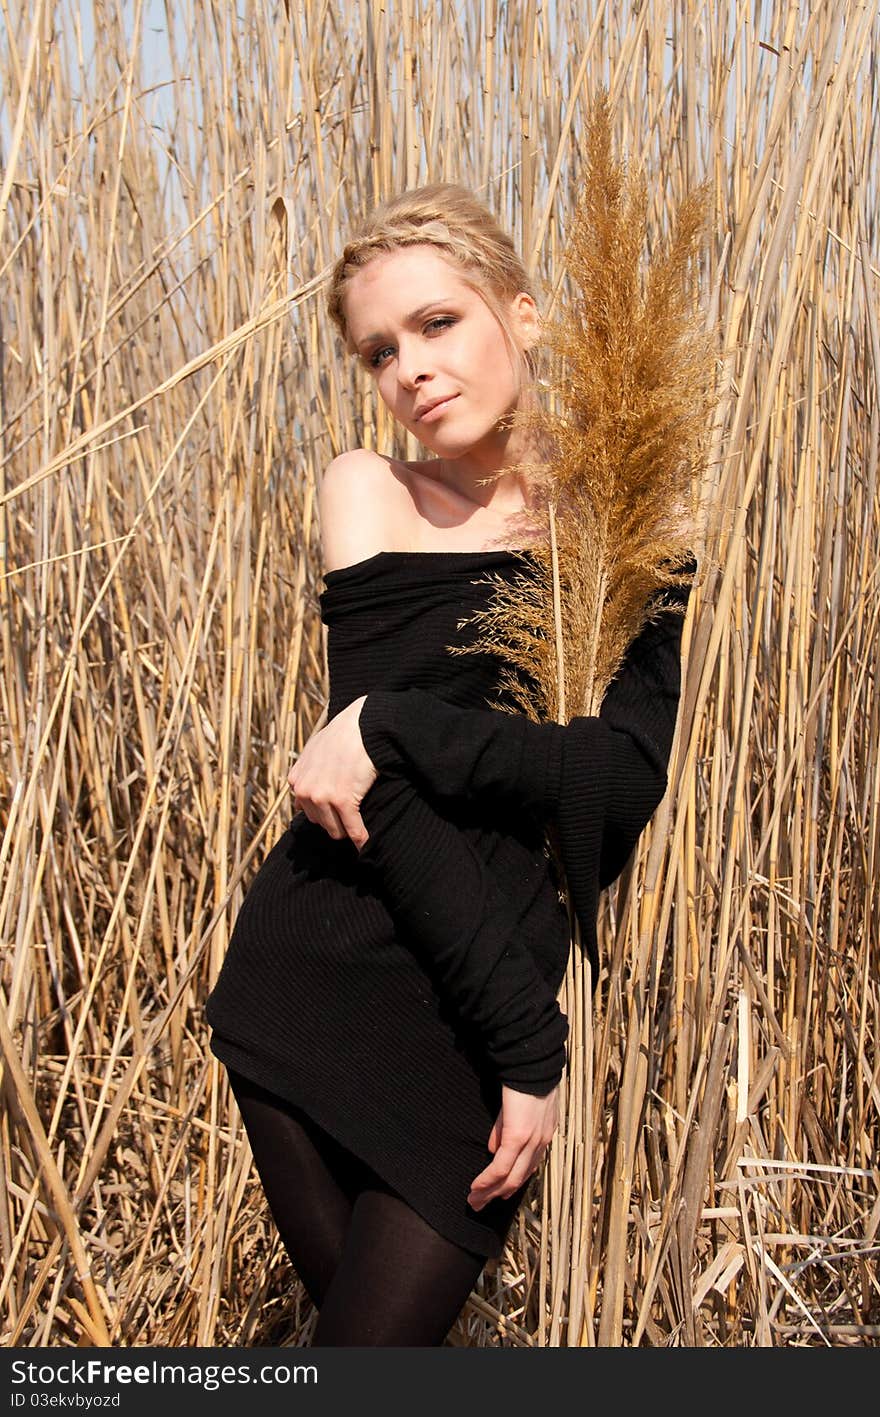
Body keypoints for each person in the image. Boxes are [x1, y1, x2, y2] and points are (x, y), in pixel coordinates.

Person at [205, 183, 695, 1346]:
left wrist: (396, 725)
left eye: (437, 324)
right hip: (315, 981)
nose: (408, 369)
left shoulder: (628, 531)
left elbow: (621, 784)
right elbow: (383, 805)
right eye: (378, 351)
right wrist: (531, 1045)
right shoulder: (367, 491)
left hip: (474, 1021)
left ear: (521, 315)